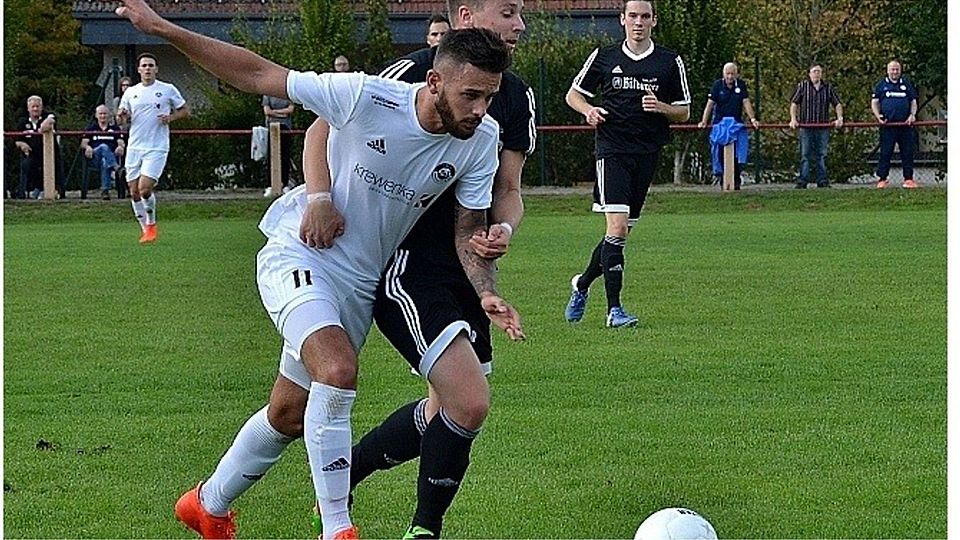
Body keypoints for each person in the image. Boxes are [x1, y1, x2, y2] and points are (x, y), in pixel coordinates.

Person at [114, 3, 522, 540]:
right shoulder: (367, 96)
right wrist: (163, 29)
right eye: (470, 95)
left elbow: (466, 230)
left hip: (359, 282)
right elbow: (258, 73)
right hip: (300, 253)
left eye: (489, 97)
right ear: (434, 82)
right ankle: (338, 529)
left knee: (288, 413)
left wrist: (486, 288)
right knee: (337, 369)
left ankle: (206, 505)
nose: (480, 109)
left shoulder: (481, 139)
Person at [564, 0, 690, 328]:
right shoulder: (604, 56)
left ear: (654, 21)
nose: (638, 22)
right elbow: (573, 95)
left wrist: (662, 107)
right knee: (617, 228)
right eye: (632, 16)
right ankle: (614, 310)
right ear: (622, 19)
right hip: (612, 150)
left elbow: (684, 110)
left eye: (645, 16)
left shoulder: (669, 61)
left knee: (617, 235)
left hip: (647, 152)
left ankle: (581, 284)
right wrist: (589, 110)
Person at [116, 52, 189, 244]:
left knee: (144, 188)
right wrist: (121, 116)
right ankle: (145, 230)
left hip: (157, 146)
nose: (147, 68)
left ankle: (151, 224)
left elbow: (184, 110)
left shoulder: (167, 89)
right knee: (133, 191)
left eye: (150, 65)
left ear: (156, 69)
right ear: (139, 70)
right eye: (144, 66)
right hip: (135, 146)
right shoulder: (130, 92)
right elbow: (122, 119)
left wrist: (171, 117)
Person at [697, 62, 759, 190]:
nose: (730, 77)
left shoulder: (741, 85)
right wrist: (704, 121)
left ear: (736, 74)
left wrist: (753, 119)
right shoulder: (717, 85)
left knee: (738, 153)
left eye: (732, 74)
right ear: (723, 74)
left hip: (736, 124)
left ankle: (736, 180)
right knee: (719, 153)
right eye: (728, 74)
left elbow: (746, 102)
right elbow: (710, 104)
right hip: (720, 124)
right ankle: (723, 179)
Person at [788, 64, 843, 189]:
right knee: (805, 155)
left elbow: (837, 104)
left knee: (822, 155)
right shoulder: (803, 86)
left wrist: (839, 118)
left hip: (822, 127)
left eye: (819, 71)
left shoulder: (828, 88)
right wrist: (793, 119)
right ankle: (803, 181)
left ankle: (822, 180)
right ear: (809, 74)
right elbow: (794, 103)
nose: (816, 74)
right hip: (806, 127)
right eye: (814, 71)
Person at [871, 60, 919, 189]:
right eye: (892, 69)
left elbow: (913, 101)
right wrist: (878, 116)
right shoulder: (881, 85)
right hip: (888, 126)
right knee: (886, 152)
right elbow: (874, 102)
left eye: (897, 69)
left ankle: (908, 179)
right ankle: (882, 179)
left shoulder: (906, 84)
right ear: (888, 71)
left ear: (900, 70)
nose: (895, 72)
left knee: (907, 152)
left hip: (905, 126)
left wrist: (912, 115)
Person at [14, 95, 63, 199]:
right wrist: (21, 144)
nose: (35, 109)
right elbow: (16, 139)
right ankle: (35, 188)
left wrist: (44, 125)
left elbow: (51, 119)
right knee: (27, 165)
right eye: (33, 107)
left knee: (53, 163)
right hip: (30, 154)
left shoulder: (48, 116)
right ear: (28, 108)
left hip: (49, 154)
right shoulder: (22, 122)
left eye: (37, 106)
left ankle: (50, 190)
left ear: (42, 107)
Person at [80, 104, 126, 200]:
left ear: (109, 115)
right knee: (103, 147)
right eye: (100, 114)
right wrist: (87, 147)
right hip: (94, 157)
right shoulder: (91, 128)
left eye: (105, 114)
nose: (103, 116)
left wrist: (120, 147)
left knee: (105, 161)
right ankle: (116, 167)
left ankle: (105, 191)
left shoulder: (115, 129)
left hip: (110, 157)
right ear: (96, 115)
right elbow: (83, 143)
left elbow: (121, 142)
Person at [262, 93, 295, 188]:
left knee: (285, 155)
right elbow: (267, 111)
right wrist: (282, 113)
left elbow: (290, 109)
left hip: (285, 127)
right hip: (271, 127)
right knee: (271, 156)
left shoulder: (287, 93)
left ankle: (284, 183)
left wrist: (274, 112)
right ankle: (271, 184)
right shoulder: (267, 94)